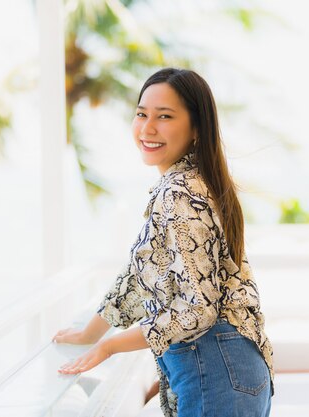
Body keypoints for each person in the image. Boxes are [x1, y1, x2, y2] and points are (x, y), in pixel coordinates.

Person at [53, 67, 274, 417]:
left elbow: (198, 309)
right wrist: (91, 331)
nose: (147, 128)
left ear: (196, 128)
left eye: (165, 116)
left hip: (215, 369)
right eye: (141, 114)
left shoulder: (178, 192)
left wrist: (109, 346)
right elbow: (139, 277)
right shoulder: (197, 182)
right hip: (233, 369)